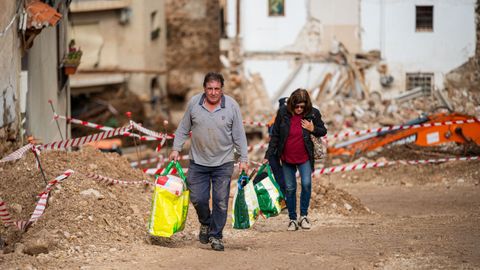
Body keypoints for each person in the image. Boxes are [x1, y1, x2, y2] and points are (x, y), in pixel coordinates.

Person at [169, 72, 249, 251]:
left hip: (224, 162)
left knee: (220, 200)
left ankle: (216, 235)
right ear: (204, 89)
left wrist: (243, 158)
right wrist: (176, 148)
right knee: (198, 198)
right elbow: (183, 128)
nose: (213, 93)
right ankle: (205, 222)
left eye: (217, 89)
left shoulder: (231, 106)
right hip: (198, 161)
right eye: (210, 89)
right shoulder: (194, 104)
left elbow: (239, 135)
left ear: (222, 89)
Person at [264, 88, 327, 231]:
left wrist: (312, 128)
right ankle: (292, 219)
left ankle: (303, 216)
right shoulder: (282, 113)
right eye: (296, 106)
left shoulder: (313, 113)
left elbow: (323, 131)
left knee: (306, 184)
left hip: (304, 157)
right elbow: (275, 135)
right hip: (286, 158)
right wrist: (268, 155)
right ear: (292, 104)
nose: (299, 109)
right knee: (290, 188)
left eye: (302, 107)